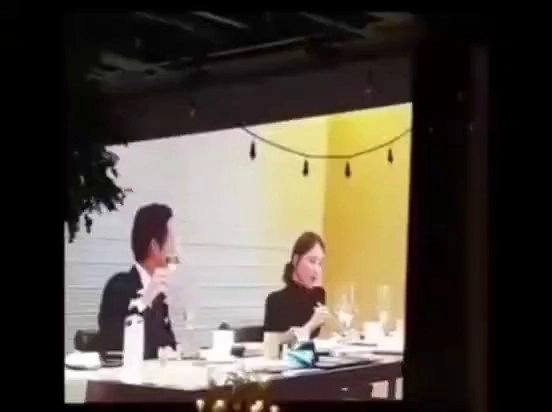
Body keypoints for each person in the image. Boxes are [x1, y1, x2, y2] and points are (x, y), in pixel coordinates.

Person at [96, 203, 179, 359]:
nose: (176, 249)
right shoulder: (118, 287)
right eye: (172, 240)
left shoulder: (161, 295)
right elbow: (114, 343)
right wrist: (145, 301)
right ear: (155, 246)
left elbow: (167, 345)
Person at [263, 231, 330, 342]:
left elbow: (314, 339)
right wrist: (311, 325)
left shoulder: (319, 294)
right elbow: (272, 342)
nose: (316, 269)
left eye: (320, 264)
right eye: (312, 261)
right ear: (296, 260)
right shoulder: (275, 300)